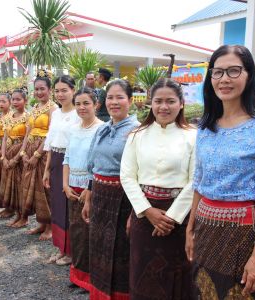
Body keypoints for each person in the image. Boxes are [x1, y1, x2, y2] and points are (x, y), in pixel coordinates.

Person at [185, 45, 255, 299]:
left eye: (233, 71)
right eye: (217, 72)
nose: (224, 79)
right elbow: (200, 181)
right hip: (206, 231)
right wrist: (191, 228)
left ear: (249, 75)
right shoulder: (206, 126)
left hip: (244, 236)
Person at [120, 78, 196, 300]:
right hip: (144, 216)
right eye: (158, 101)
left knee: (177, 275)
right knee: (143, 273)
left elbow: (196, 180)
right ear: (150, 104)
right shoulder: (137, 135)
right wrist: (147, 210)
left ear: (181, 103)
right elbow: (127, 176)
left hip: (179, 217)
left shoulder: (193, 136)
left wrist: (171, 217)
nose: (164, 107)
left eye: (171, 101)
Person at [82, 79, 140, 300]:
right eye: (110, 98)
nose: (114, 102)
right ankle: (99, 293)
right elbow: (92, 166)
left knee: (121, 250)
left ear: (130, 101)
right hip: (99, 195)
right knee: (99, 247)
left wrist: (135, 212)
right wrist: (88, 199)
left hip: (124, 198)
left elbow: (139, 174)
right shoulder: (102, 129)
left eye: (119, 97)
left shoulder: (136, 131)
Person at [63, 87, 103, 291]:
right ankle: (78, 275)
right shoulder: (73, 128)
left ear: (96, 105)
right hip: (73, 187)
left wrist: (90, 188)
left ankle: (91, 280)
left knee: (91, 234)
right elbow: (67, 158)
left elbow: (99, 163)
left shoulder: (102, 129)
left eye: (86, 103)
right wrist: (64, 184)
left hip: (91, 189)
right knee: (77, 233)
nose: (81, 107)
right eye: (78, 103)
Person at [43, 75, 80, 266]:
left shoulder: (78, 114)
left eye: (64, 90)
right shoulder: (56, 113)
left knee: (69, 207)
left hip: (71, 163)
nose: (60, 94)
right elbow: (50, 142)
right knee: (57, 206)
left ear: (73, 90)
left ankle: (72, 252)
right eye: (57, 91)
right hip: (56, 160)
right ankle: (61, 247)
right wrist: (47, 170)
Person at [20, 74, 58, 239]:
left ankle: (50, 226)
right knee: (34, 188)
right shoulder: (34, 108)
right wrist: (23, 151)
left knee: (45, 189)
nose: (39, 92)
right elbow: (28, 131)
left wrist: (37, 154)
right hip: (29, 150)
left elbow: (51, 133)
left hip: (44, 153)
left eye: (42, 89)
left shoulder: (53, 108)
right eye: (36, 89)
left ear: (50, 90)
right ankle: (41, 223)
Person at [0, 89, 29, 227]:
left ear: (25, 101)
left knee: (21, 186)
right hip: (8, 154)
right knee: (10, 186)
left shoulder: (28, 117)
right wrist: (4, 157)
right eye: (13, 99)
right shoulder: (9, 116)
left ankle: (24, 217)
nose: (15, 102)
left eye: (19, 99)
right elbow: (5, 138)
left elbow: (27, 140)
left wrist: (16, 158)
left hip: (20, 156)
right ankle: (16, 214)